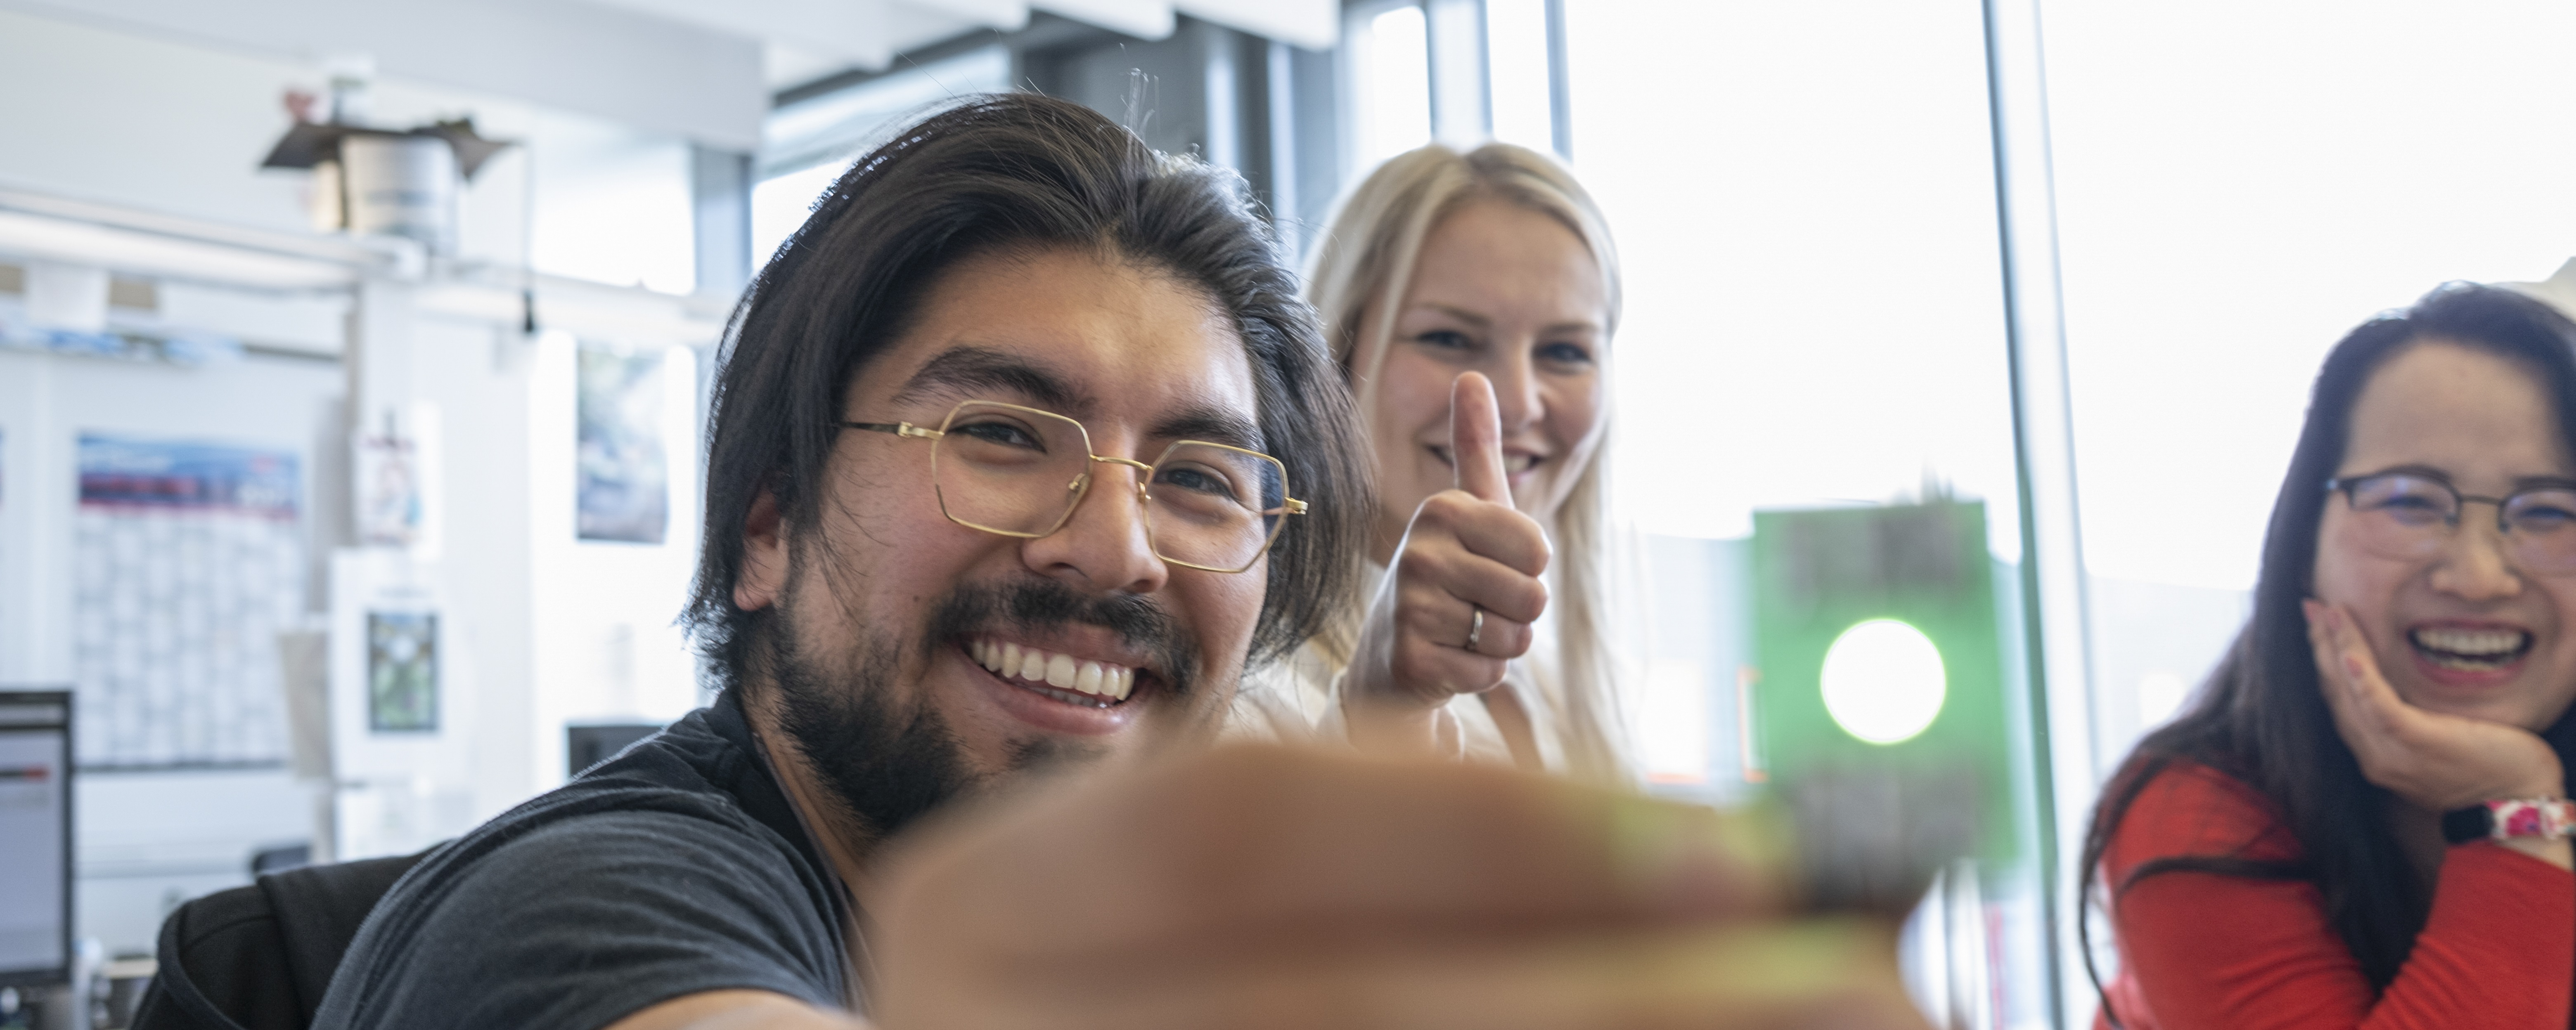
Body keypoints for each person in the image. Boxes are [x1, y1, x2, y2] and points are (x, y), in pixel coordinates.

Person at [309, 94, 1927, 1030]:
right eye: (1004, 435)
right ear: (767, 528)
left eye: (1202, 477)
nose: (1115, 546)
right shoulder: (585, 911)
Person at [2083, 283, 2576, 1029]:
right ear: (2303, 545)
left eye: (2548, 511)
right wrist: (2515, 811)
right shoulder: (2194, 817)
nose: (2478, 577)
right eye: (2410, 501)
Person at [1233, 143, 1629, 784]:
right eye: (1448, 339)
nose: (1518, 404)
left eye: (1565, 351)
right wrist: (1383, 719)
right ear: (1335, 359)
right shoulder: (1247, 687)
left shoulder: (1563, 690)